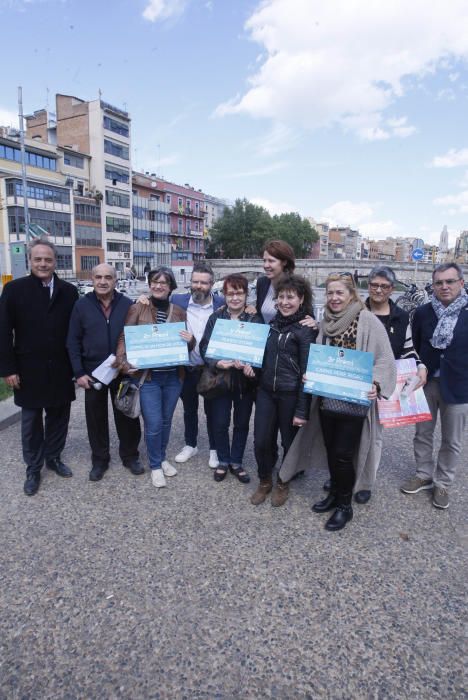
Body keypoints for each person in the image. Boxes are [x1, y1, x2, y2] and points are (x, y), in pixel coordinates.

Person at [280, 273, 396, 531]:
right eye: (330, 293)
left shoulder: (368, 320)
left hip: (354, 402)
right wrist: (312, 374)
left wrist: (375, 384)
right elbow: (321, 356)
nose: (334, 298)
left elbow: (385, 360)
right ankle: (334, 493)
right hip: (327, 399)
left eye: (339, 293)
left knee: (343, 455)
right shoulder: (325, 322)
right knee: (332, 449)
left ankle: (345, 506)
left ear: (351, 294)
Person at [325, 265, 427, 504]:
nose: (378, 290)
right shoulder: (355, 309)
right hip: (353, 381)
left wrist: (420, 365)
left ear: (392, 289)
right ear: (367, 286)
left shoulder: (401, 316)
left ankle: (365, 482)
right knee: (345, 435)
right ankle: (341, 478)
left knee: (373, 437)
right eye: (374, 285)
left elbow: (408, 349)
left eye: (384, 286)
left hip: (380, 384)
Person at [0, 238, 78, 496]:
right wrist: (8, 369)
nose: (43, 263)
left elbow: (75, 331)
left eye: (48, 259)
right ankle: (33, 468)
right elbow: (3, 332)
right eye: (38, 259)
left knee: (59, 418)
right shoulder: (14, 289)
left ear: (55, 261)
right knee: (31, 422)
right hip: (27, 368)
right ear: (30, 261)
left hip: (60, 368)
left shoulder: (69, 291)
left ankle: (53, 458)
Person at [115, 266, 195, 488]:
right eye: (155, 282)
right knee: (153, 423)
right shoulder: (137, 307)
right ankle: (156, 466)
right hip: (147, 378)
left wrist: (191, 341)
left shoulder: (178, 311)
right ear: (149, 284)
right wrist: (122, 362)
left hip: (173, 377)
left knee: (167, 421)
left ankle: (161, 458)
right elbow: (125, 336)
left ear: (171, 287)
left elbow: (187, 344)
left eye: (164, 283)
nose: (159, 286)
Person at [66, 263, 143, 482]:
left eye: (108, 277)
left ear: (115, 280)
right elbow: (72, 341)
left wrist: (134, 363)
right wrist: (79, 372)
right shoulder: (81, 306)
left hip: (122, 372)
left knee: (127, 415)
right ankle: (100, 460)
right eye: (98, 277)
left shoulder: (128, 305)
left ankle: (130, 456)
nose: (102, 281)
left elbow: (136, 337)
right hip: (93, 373)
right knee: (95, 418)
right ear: (92, 279)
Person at [401, 262, 468, 510]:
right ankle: (423, 474)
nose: (444, 286)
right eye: (439, 282)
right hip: (426, 382)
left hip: (460, 385)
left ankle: (443, 483)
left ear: (461, 283)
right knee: (423, 433)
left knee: (452, 440)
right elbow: (415, 347)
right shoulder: (422, 313)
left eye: (450, 281)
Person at [251, 275, 317, 507]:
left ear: (301, 299)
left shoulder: (306, 330)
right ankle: (265, 479)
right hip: (267, 392)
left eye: (291, 297)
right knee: (261, 440)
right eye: (281, 297)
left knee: (289, 442)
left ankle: (283, 481)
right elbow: (263, 359)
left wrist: (302, 409)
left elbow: (307, 372)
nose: (285, 302)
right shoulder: (269, 327)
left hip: (291, 394)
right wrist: (252, 369)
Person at [199, 274, 262, 485]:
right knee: (219, 422)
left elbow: (261, 350)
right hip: (221, 380)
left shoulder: (254, 318)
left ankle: (236, 461)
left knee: (242, 423)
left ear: (246, 295)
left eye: (239, 293)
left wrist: (253, 366)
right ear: (224, 295)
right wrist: (218, 362)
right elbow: (204, 347)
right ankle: (223, 460)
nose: (235, 298)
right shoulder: (216, 318)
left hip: (244, 382)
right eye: (230, 293)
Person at [171, 262, 224, 468]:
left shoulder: (221, 303)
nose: (198, 286)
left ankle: (214, 449)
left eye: (203, 283)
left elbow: (241, 310)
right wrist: (143, 299)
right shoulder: (177, 300)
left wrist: (251, 306)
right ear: (190, 282)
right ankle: (190, 444)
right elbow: (155, 301)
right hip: (188, 367)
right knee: (189, 409)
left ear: (211, 284)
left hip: (211, 369)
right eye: (195, 281)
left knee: (212, 411)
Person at [254, 240, 296, 323]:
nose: (266, 265)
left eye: (271, 261)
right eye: (264, 260)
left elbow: (307, 315)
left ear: (284, 262)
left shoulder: (296, 286)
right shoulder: (262, 283)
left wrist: (312, 321)